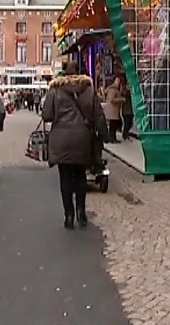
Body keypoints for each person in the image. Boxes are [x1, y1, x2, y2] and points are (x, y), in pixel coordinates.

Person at [42, 61, 107, 229]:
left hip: (61, 139)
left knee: (64, 178)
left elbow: (47, 115)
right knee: (80, 176)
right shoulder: (89, 90)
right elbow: (98, 115)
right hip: (82, 138)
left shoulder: (55, 90)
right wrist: (104, 136)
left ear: (64, 73)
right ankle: (81, 213)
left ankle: (68, 216)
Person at [104, 77, 125, 143]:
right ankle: (112, 139)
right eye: (118, 81)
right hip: (113, 110)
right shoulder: (113, 89)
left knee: (113, 125)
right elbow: (112, 99)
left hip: (113, 110)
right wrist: (121, 99)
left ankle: (112, 138)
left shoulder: (113, 89)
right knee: (113, 125)